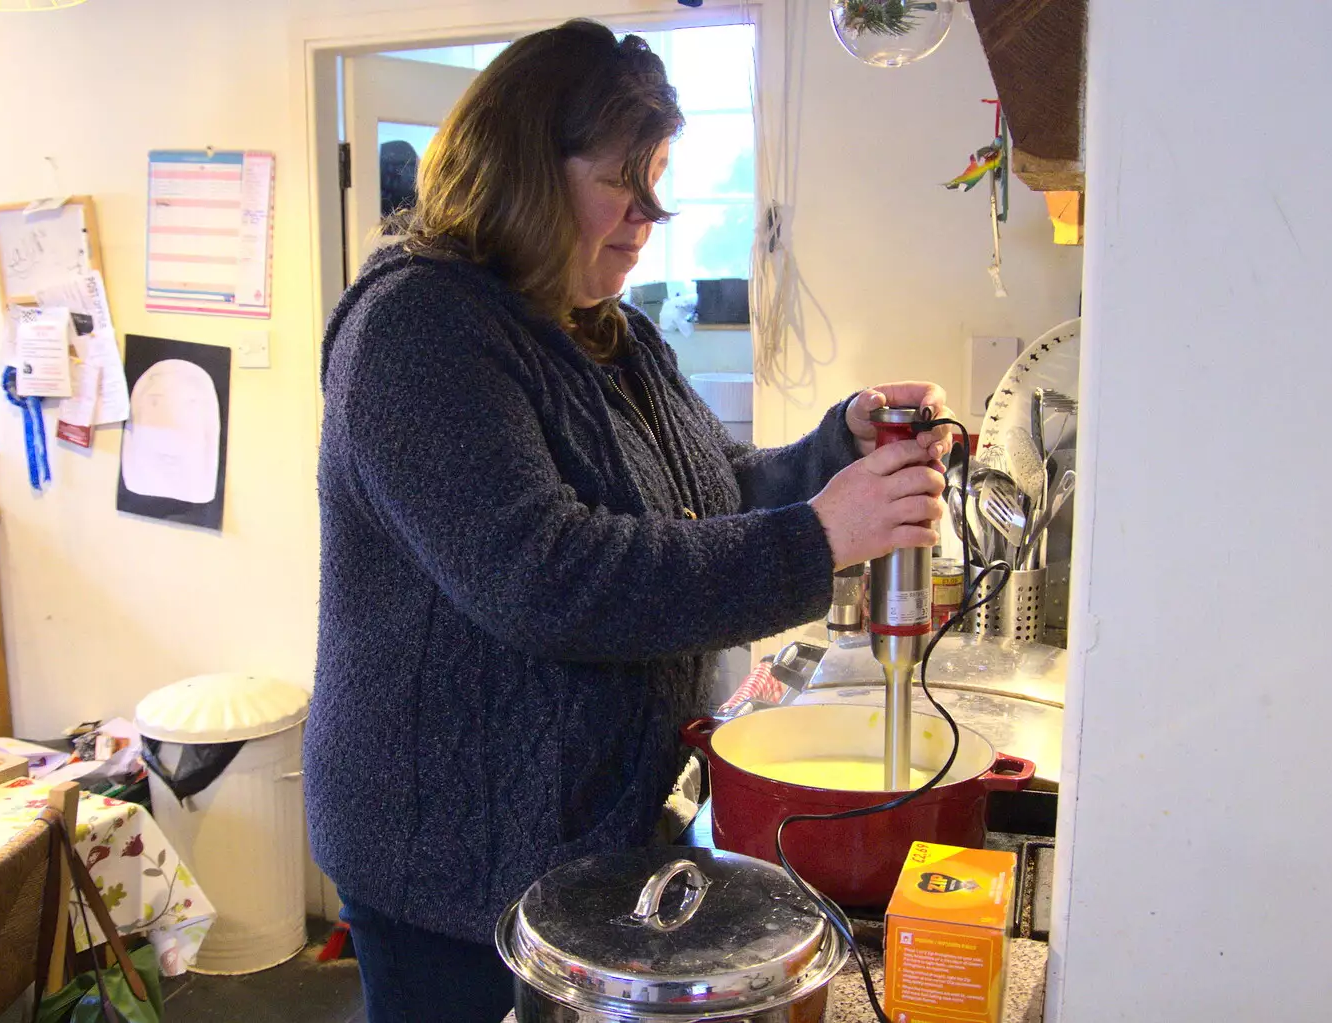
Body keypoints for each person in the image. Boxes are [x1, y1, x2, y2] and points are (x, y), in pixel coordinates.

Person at [306, 19, 952, 1023]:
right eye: (623, 178)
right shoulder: (416, 331)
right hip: (454, 857)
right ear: (524, 166)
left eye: (658, 177)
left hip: (590, 833)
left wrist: (837, 453)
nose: (652, 211)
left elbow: (707, 491)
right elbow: (548, 577)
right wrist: (821, 536)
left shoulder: (607, 328)